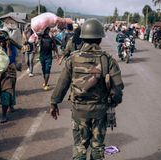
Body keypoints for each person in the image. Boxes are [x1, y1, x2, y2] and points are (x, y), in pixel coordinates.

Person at [50, 18, 124, 160]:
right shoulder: (107, 59)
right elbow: (118, 87)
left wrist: (54, 102)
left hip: (79, 111)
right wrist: (114, 102)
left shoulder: (72, 58)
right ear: (100, 39)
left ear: (83, 38)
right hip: (100, 112)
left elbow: (62, 84)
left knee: (80, 147)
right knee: (97, 148)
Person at [0, 30, 18, 123]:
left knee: (7, 91)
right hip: (0, 74)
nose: (1, 42)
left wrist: (8, 47)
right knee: (2, 91)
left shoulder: (12, 48)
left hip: (10, 73)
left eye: (3, 40)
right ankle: (10, 104)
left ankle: (3, 114)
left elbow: (10, 59)